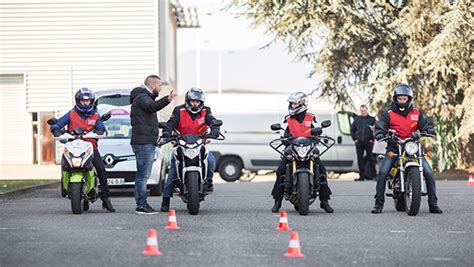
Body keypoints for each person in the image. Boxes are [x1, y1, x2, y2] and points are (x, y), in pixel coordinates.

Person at [371, 83, 442, 214]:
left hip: (412, 147)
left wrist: (428, 130)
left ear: (409, 99)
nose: (402, 101)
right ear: (395, 99)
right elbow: (381, 126)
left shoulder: (417, 113)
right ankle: (378, 204)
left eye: (405, 99)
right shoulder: (389, 114)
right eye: (400, 99)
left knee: (429, 173)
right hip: (394, 147)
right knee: (383, 172)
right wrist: (381, 133)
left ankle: (433, 204)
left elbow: (425, 126)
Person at [50, 88, 115, 212]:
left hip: (90, 147)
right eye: (83, 101)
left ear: (92, 101)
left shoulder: (95, 115)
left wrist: (100, 130)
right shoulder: (71, 114)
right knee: (65, 165)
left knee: (101, 170)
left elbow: (101, 126)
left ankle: (106, 200)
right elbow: (56, 124)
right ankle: (66, 187)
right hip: (73, 147)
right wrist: (56, 129)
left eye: (88, 101)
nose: (86, 103)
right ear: (78, 101)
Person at [271, 92, 334, 213]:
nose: (292, 106)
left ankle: (324, 201)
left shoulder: (311, 117)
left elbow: (317, 129)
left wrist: (318, 131)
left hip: (309, 146)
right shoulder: (287, 119)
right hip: (292, 147)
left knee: (322, 171)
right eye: (291, 103)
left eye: (294, 103)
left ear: (302, 104)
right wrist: (285, 137)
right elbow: (281, 133)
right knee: (280, 171)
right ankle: (277, 201)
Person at [160, 87, 220, 212]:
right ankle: (165, 200)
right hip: (181, 143)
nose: (195, 104)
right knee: (172, 172)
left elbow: (212, 121)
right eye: (193, 101)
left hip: (199, 143)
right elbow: (171, 123)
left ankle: (208, 182)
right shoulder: (178, 110)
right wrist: (167, 132)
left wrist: (215, 130)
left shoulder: (206, 111)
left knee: (211, 159)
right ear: (188, 101)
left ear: (201, 102)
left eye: (197, 102)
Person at [130, 75, 176, 215]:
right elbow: (152, 107)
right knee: (143, 176)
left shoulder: (142, 97)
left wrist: (165, 125)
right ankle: (141, 205)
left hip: (144, 141)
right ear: (153, 86)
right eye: (160, 86)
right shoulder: (142, 97)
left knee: (142, 174)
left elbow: (147, 121)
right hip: (144, 143)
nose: (161, 88)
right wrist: (167, 99)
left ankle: (141, 203)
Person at [350, 105, 376, 181]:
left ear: (367, 110)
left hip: (369, 142)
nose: (363, 112)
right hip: (359, 142)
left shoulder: (372, 119)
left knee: (371, 158)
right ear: (360, 111)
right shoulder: (357, 119)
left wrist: (372, 139)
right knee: (360, 159)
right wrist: (355, 139)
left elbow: (376, 130)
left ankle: (374, 175)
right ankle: (361, 176)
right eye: (361, 111)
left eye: (364, 111)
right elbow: (352, 129)